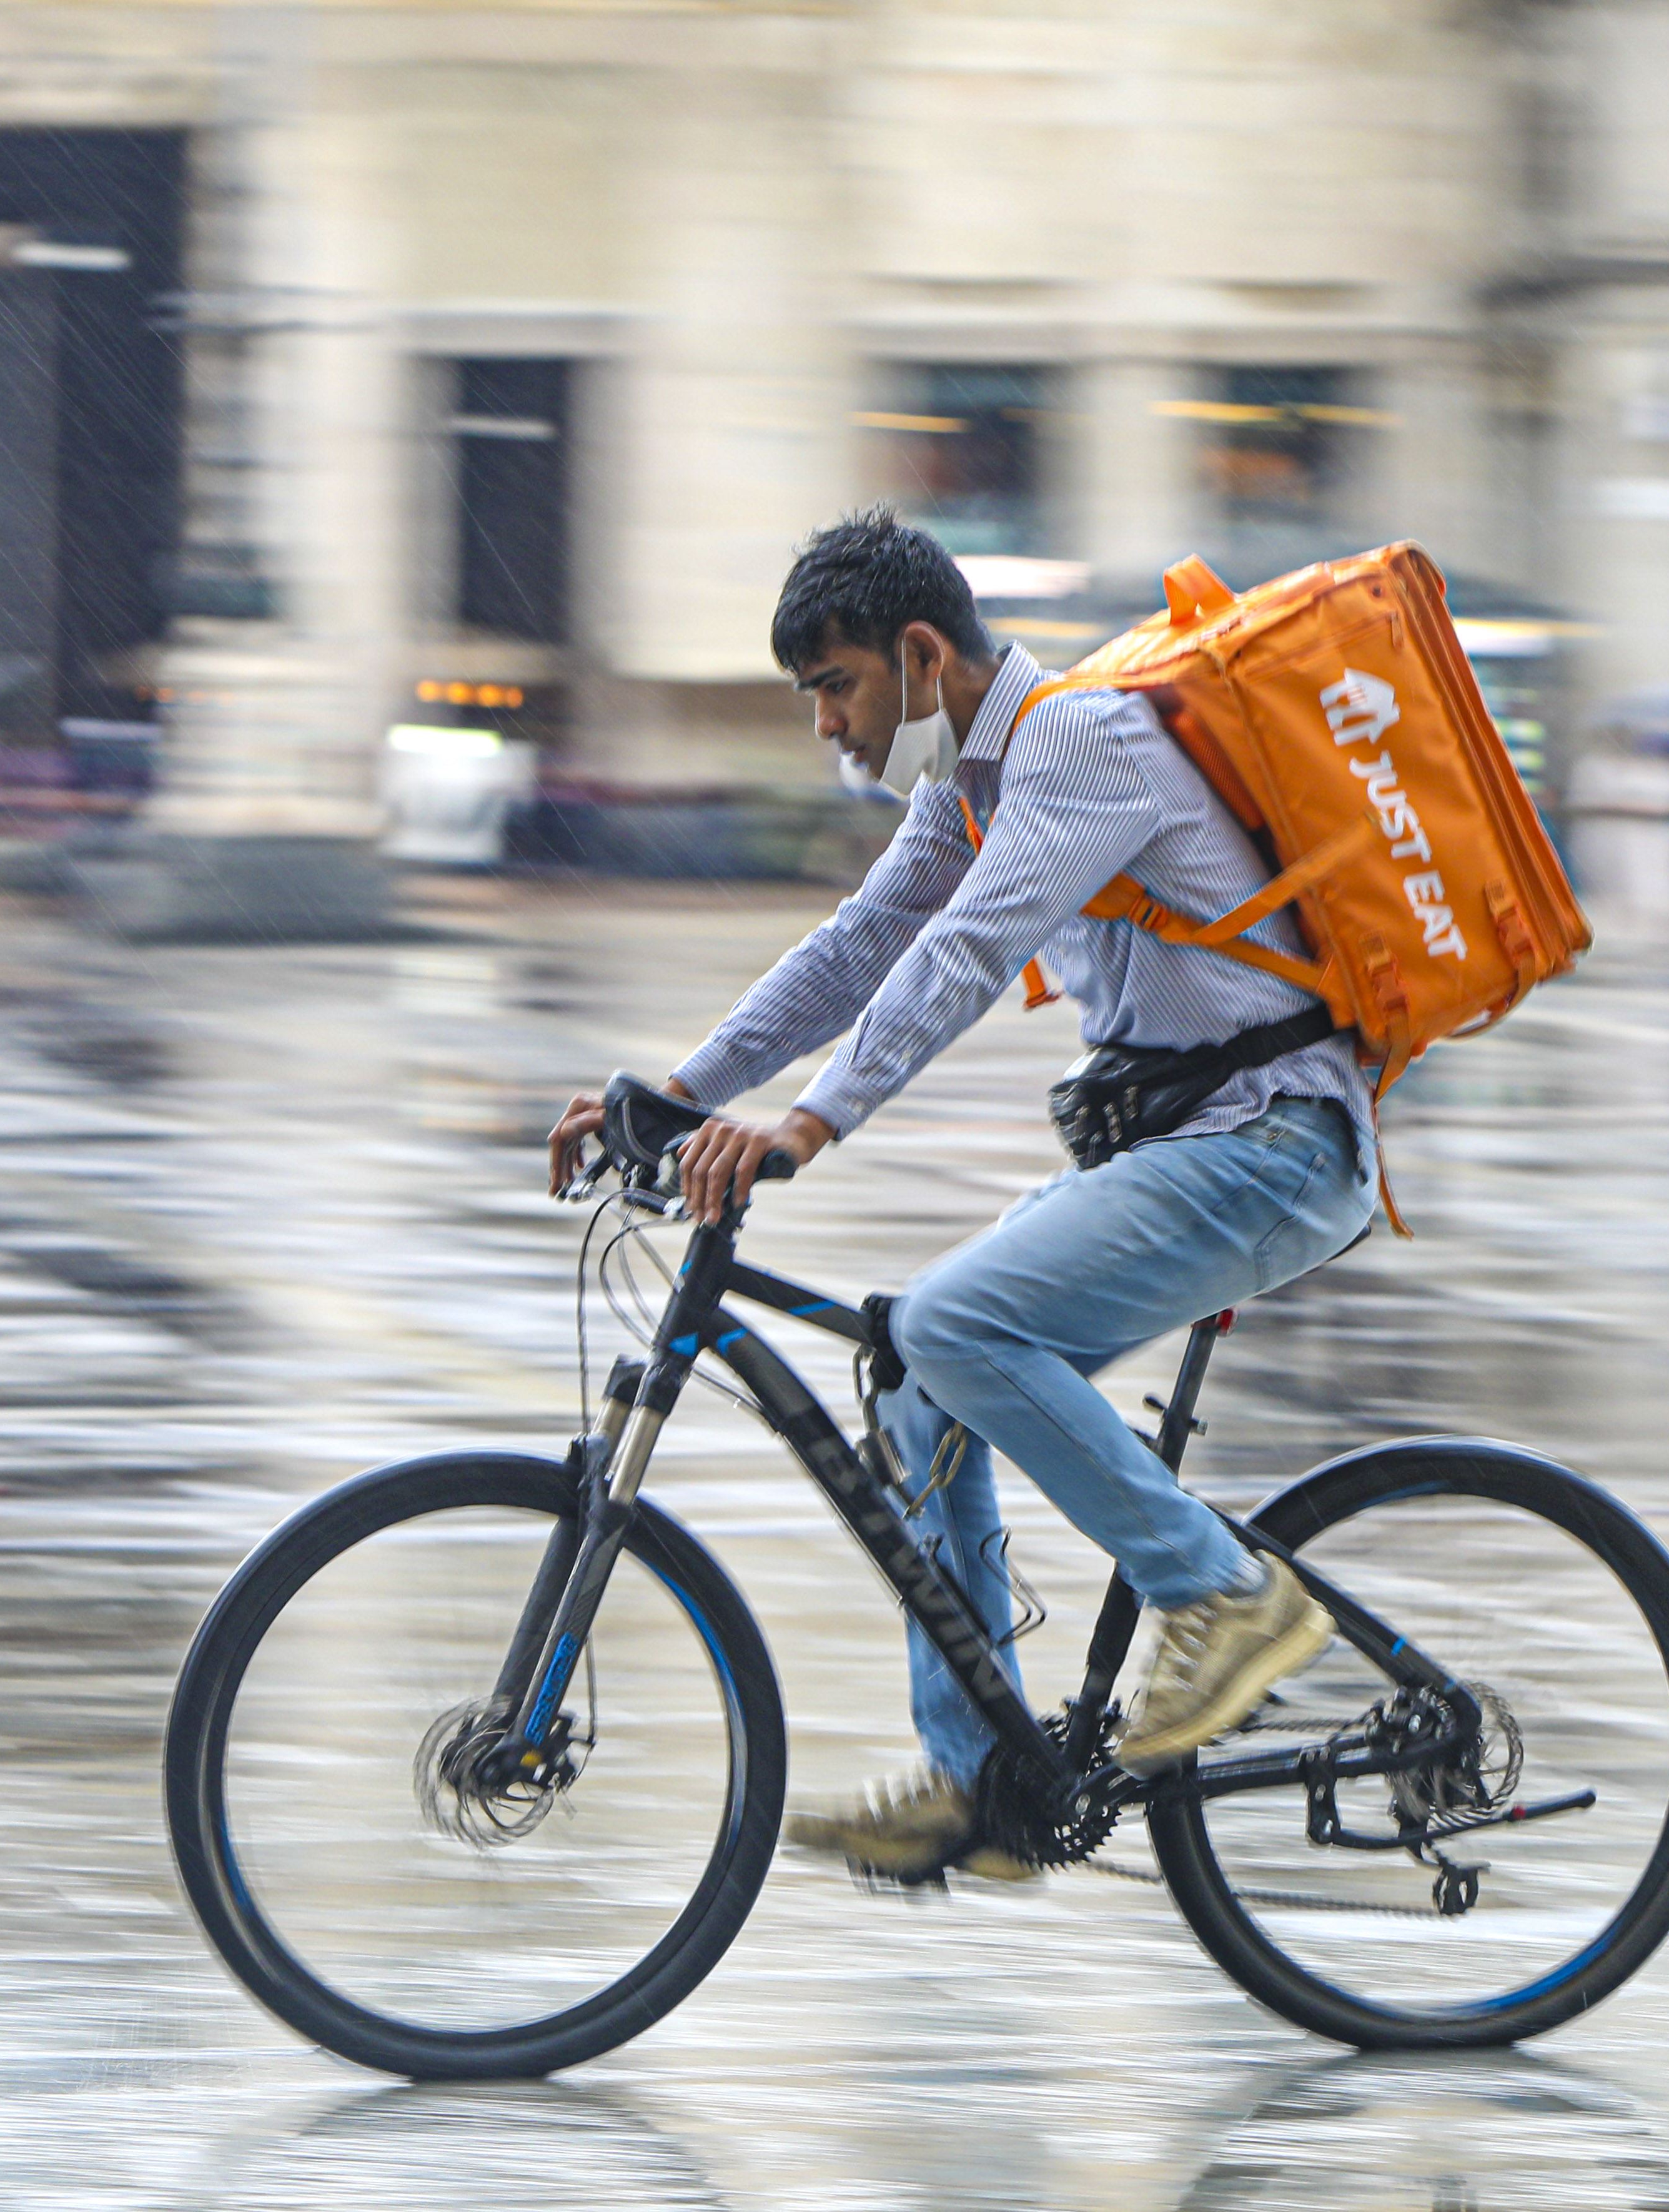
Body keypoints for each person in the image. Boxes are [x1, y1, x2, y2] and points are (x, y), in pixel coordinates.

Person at [546, 511, 1379, 1885]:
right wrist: (678, 1094)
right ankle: (980, 1779)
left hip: (1269, 1146)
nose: (826, 728)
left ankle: (1223, 1596)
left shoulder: (1076, 744)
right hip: (1182, 1151)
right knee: (915, 1373)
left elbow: (966, 951)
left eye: (837, 688)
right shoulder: (972, 779)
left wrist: (807, 1122)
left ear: (921, 656)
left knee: (949, 1327)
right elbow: (860, 945)